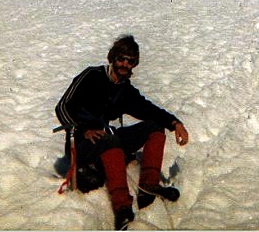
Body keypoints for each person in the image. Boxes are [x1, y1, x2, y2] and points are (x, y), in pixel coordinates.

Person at [55, 35, 189, 230]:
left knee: (154, 127)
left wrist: (175, 123)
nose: (125, 64)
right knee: (111, 141)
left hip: (107, 137)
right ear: (112, 58)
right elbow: (62, 107)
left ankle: (149, 187)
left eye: (130, 60)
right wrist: (83, 129)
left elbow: (147, 109)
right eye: (121, 58)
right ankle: (121, 207)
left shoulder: (124, 89)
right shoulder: (92, 76)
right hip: (81, 143)